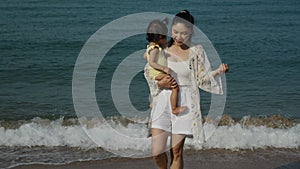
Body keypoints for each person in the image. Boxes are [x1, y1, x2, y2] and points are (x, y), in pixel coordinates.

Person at [144, 10, 229, 169]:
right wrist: (160, 83)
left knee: (176, 151)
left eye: (184, 33)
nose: (178, 37)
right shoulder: (163, 48)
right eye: (175, 32)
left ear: (191, 31)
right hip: (163, 100)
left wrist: (218, 71)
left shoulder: (197, 51)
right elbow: (149, 72)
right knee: (157, 151)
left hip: (185, 104)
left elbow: (201, 78)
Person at [145, 19, 187, 115]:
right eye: (165, 37)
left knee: (156, 87)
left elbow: (145, 56)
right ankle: (174, 108)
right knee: (174, 86)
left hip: (155, 74)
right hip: (158, 73)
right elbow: (151, 62)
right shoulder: (155, 49)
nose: (166, 40)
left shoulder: (150, 47)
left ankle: (152, 101)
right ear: (160, 38)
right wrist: (164, 68)